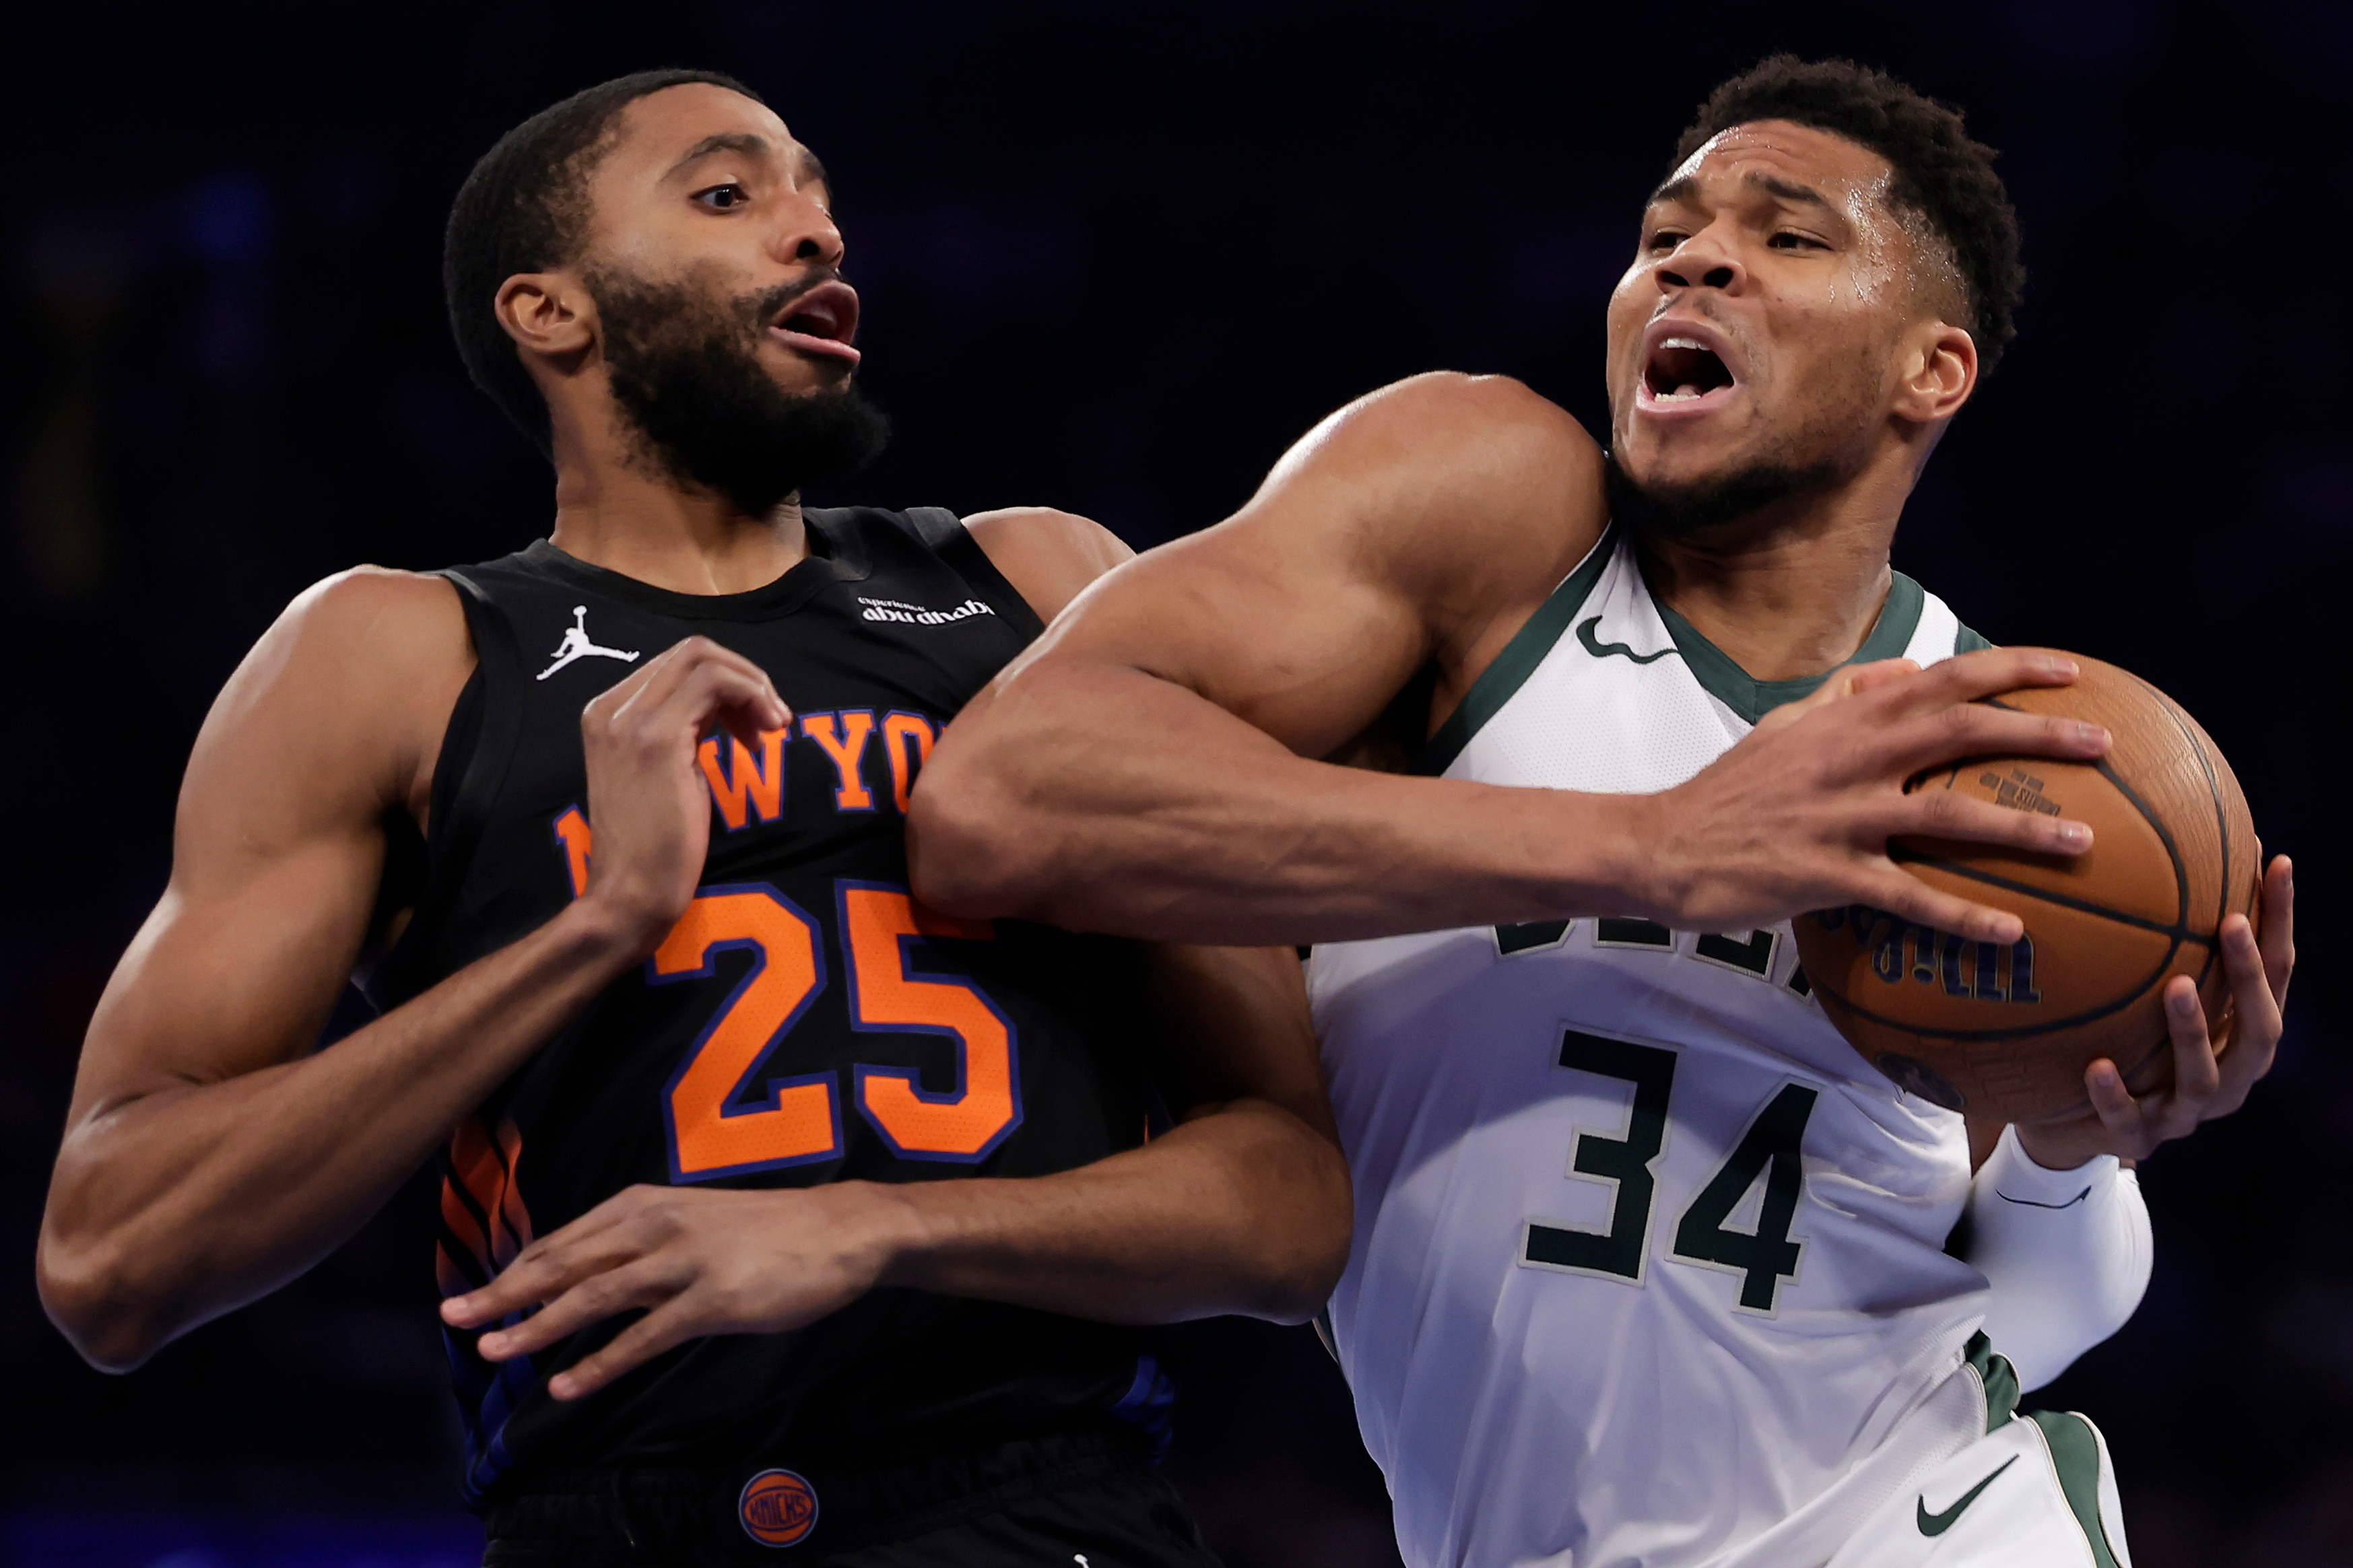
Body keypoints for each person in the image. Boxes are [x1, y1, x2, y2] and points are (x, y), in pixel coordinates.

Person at [911, 57, 2296, 1567]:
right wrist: (1656, 846)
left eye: (1787, 235)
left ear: (1931, 370)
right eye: (1664, 236)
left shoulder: (1991, 765)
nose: (1695, 259)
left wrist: (2069, 1149)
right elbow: (1002, 797)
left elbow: (2024, 1316)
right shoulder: (1498, 518)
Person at [36, 69, 1356, 1567]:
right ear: (551, 311)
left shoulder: (1040, 589)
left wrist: (872, 1227)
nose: (818, 232)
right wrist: (595, 928)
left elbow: (1291, 1204)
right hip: (612, 1518)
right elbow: (109, 1260)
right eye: (728, 195)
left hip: (1039, 1501)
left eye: (819, 195)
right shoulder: (389, 656)